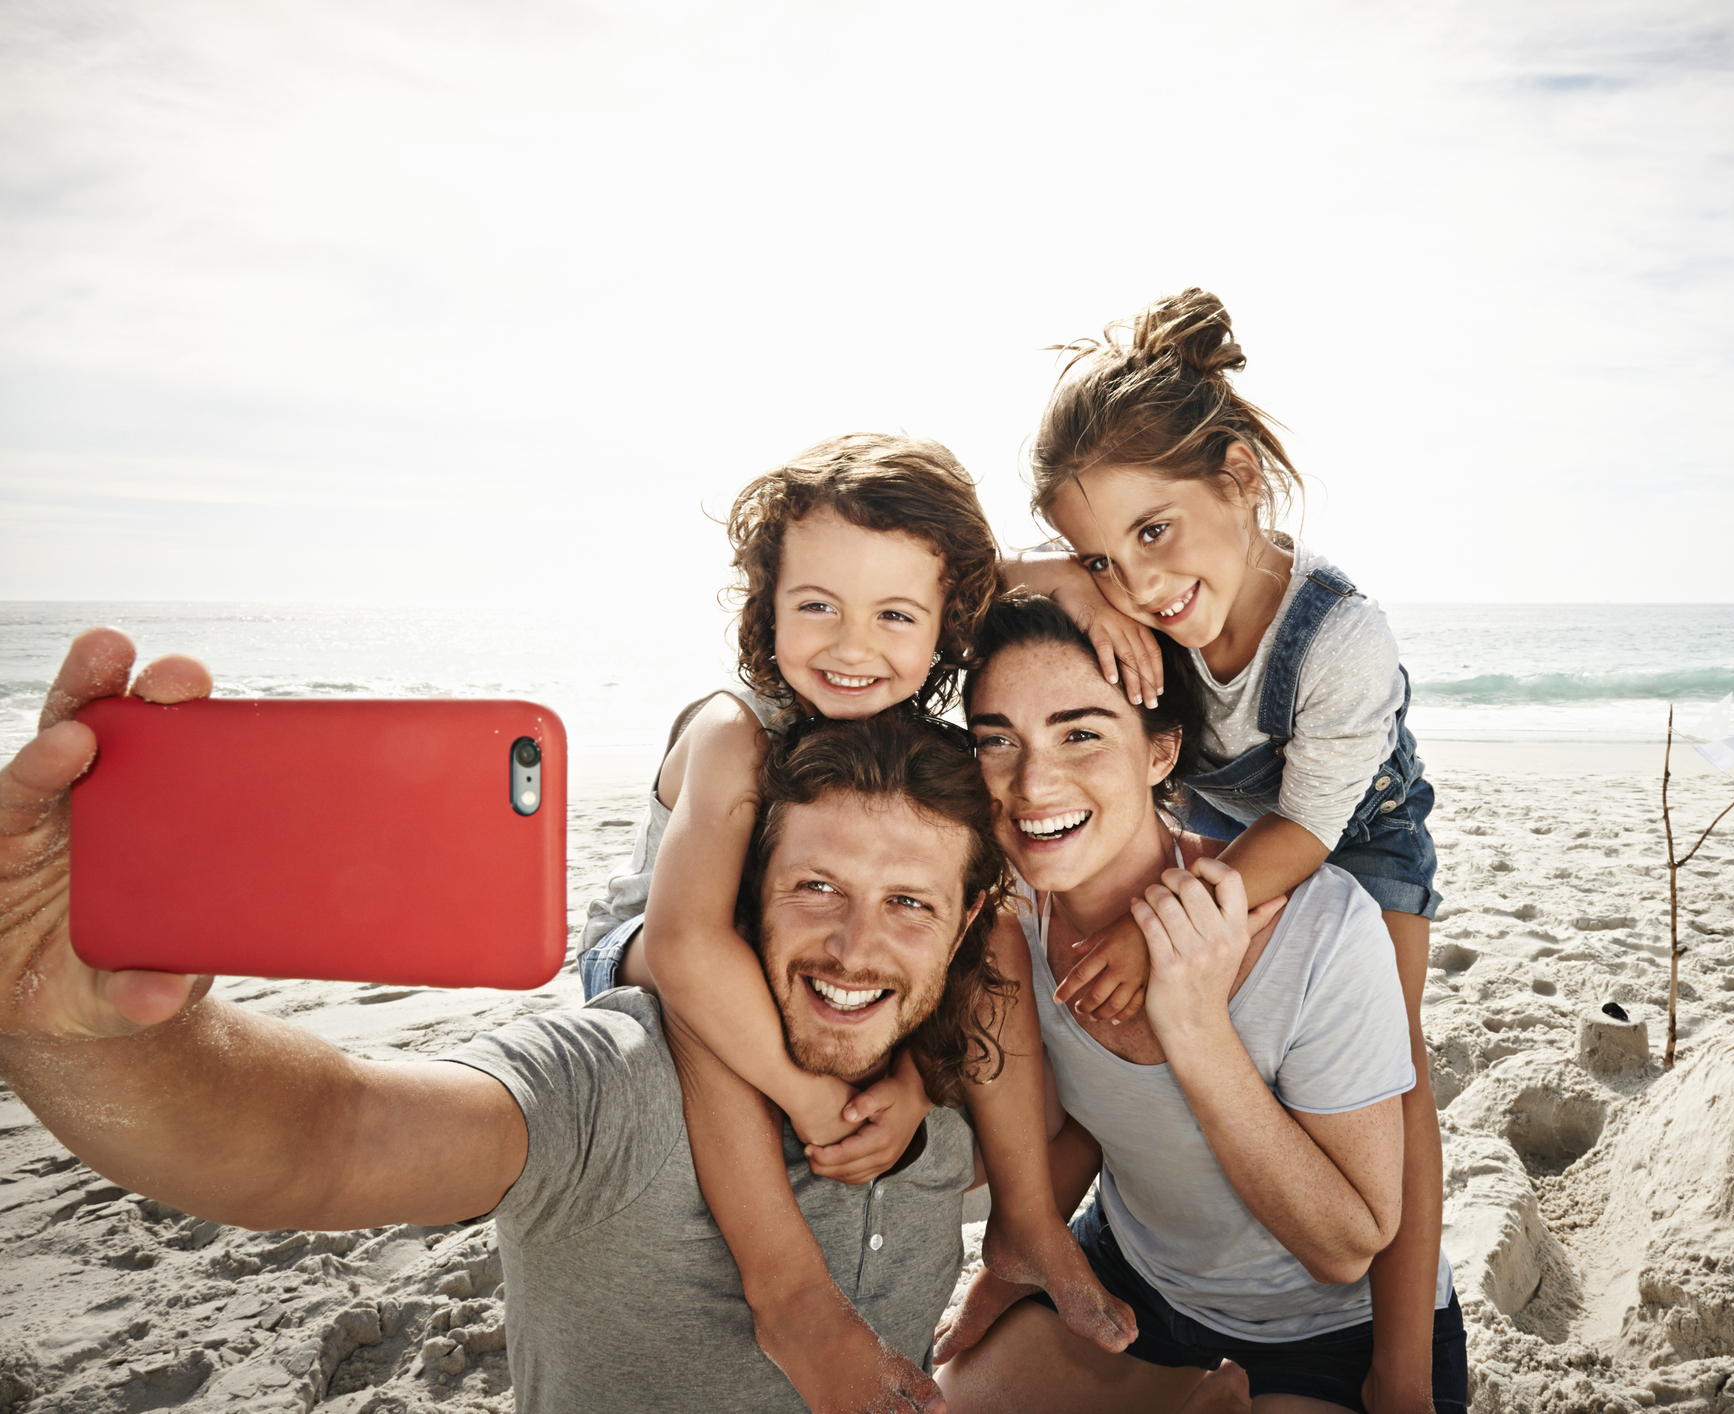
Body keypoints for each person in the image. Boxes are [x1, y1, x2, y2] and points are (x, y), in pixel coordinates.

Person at [0, 630, 1005, 1414]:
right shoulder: (619, 1073)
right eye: (816, 887)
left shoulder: (955, 1086)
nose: (854, 946)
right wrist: (79, 1034)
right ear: (750, 893)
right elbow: (328, 1138)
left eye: (908, 904)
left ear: (965, 921)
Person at [573, 432, 1130, 1408]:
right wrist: (804, 1094)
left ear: (948, 625)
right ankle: (789, 1297)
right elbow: (683, 944)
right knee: (714, 996)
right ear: (767, 606)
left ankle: (1028, 1223)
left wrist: (915, 1080)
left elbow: (934, 946)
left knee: (993, 926)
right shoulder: (730, 730)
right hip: (654, 948)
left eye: (895, 617)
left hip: (802, 944)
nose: (852, 646)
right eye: (815, 606)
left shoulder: (901, 730)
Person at [1006, 291, 1453, 1408]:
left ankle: (1402, 1364)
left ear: (1243, 477)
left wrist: (1158, 935)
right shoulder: (1128, 598)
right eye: (1100, 557)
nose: (1140, 586)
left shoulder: (1339, 637)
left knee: (1396, 1073)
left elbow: (1303, 833)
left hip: (1351, 823)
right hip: (1225, 812)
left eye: (1153, 532)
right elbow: (969, 575)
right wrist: (1066, 586)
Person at [935, 599, 1465, 1414]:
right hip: (1137, 1275)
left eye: (1081, 735)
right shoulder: (1009, 919)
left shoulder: (1319, 927)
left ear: (1161, 750)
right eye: (996, 740)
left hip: (1333, 1331)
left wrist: (1194, 1026)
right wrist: (1009, 1268)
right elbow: (1088, 1119)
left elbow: (1343, 1249)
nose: (1032, 783)